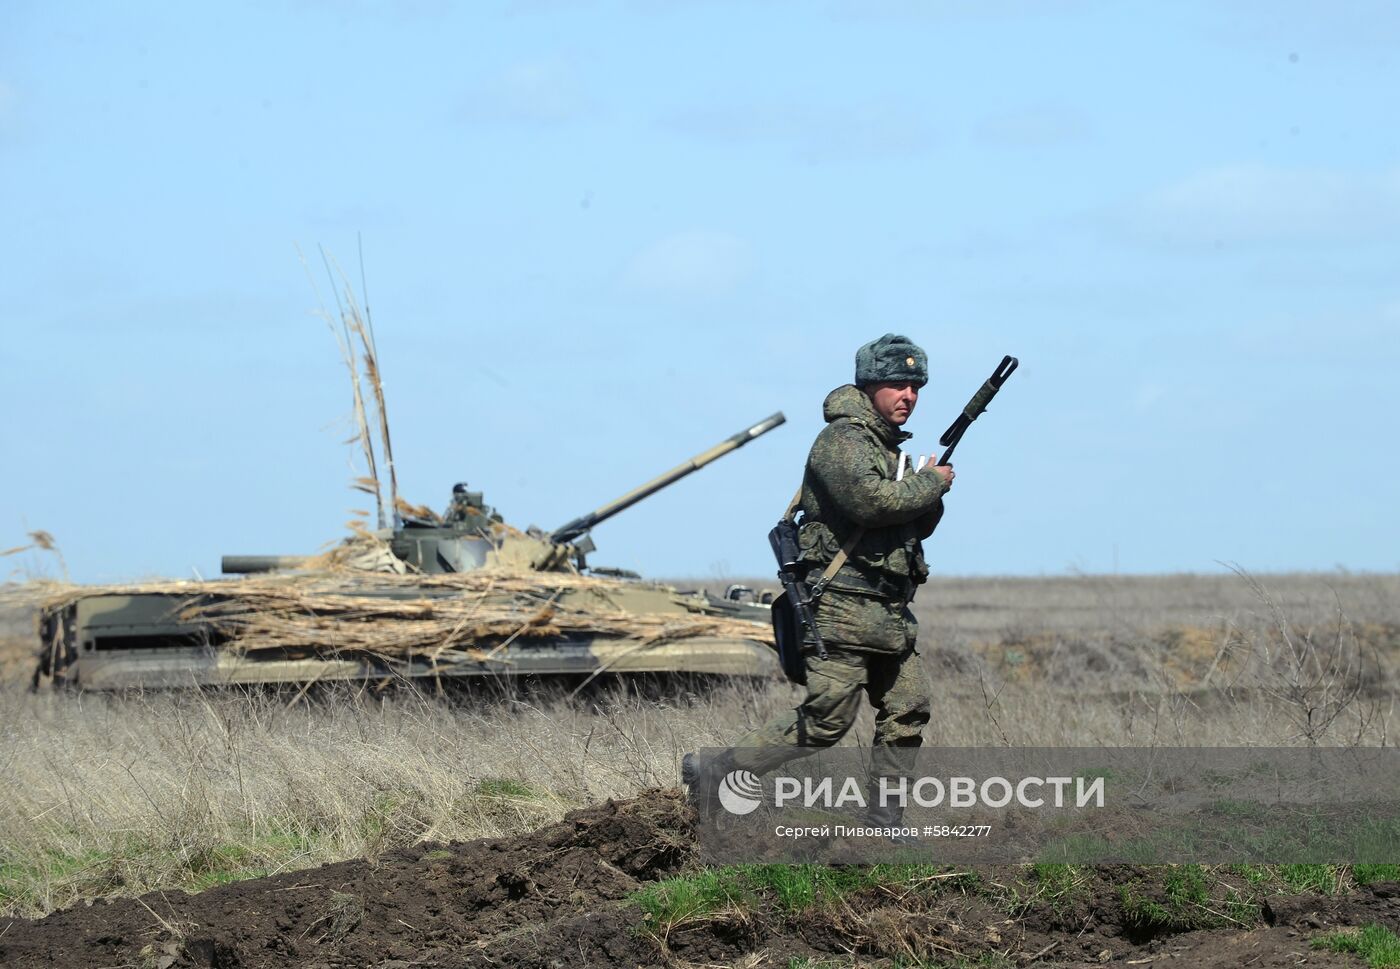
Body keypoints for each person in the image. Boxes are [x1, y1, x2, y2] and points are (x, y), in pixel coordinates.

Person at [683, 333, 953, 824]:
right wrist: (930, 484)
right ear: (870, 386)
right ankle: (718, 770)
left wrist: (927, 491)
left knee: (910, 706)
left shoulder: (888, 449)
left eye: (916, 386)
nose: (909, 396)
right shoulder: (842, 440)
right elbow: (870, 504)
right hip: (842, 607)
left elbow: (909, 524)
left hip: (888, 610)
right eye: (897, 384)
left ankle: (884, 822)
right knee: (828, 720)